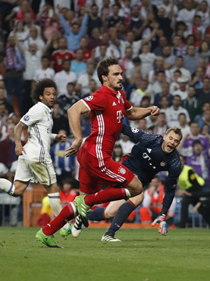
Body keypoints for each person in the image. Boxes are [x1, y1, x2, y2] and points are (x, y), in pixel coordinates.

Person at [35, 57, 159, 248]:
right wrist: (77, 138)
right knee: (136, 187)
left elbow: (132, 113)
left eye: (121, 73)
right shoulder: (102, 96)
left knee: (81, 202)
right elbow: (73, 110)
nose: (120, 77)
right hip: (96, 154)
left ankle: (46, 232)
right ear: (104, 78)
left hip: (90, 154)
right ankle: (87, 204)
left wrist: (149, 110)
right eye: (115, 74)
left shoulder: (119, 95)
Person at [0, 79, 68, 232]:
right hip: (37, 155)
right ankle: (64, 226)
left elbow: (39, 132)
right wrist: (18, 145)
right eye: (48, 94)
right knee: (53, 188)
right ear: (41, 96)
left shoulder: (47, 111)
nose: (52, 97)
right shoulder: (38, 109)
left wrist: (54, 137)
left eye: (54, 94)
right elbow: (19, 126)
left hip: (29, 154)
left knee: (17, 190)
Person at [75, 123, 182, 241]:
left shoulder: (175, 163)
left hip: (140, 181)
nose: (172, 142)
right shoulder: (151, 139)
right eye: (171, 138)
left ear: (178, 144)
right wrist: (109, 121)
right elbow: (126, 129)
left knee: (109, 213)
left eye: (176, 141)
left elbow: (170, 190)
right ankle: (109, 234)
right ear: (164, 137)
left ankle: (77, 214)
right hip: (126, 169)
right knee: (138, 197)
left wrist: (163, 213)